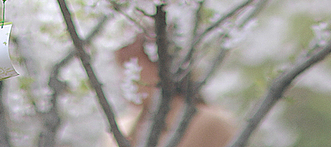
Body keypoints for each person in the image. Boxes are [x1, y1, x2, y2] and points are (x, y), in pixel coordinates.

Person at [100, 33, 238, 147]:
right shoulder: (121, 128)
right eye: (120, 67)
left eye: (129, 64)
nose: (123, 77)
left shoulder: (209, 124)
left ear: (161, 65)